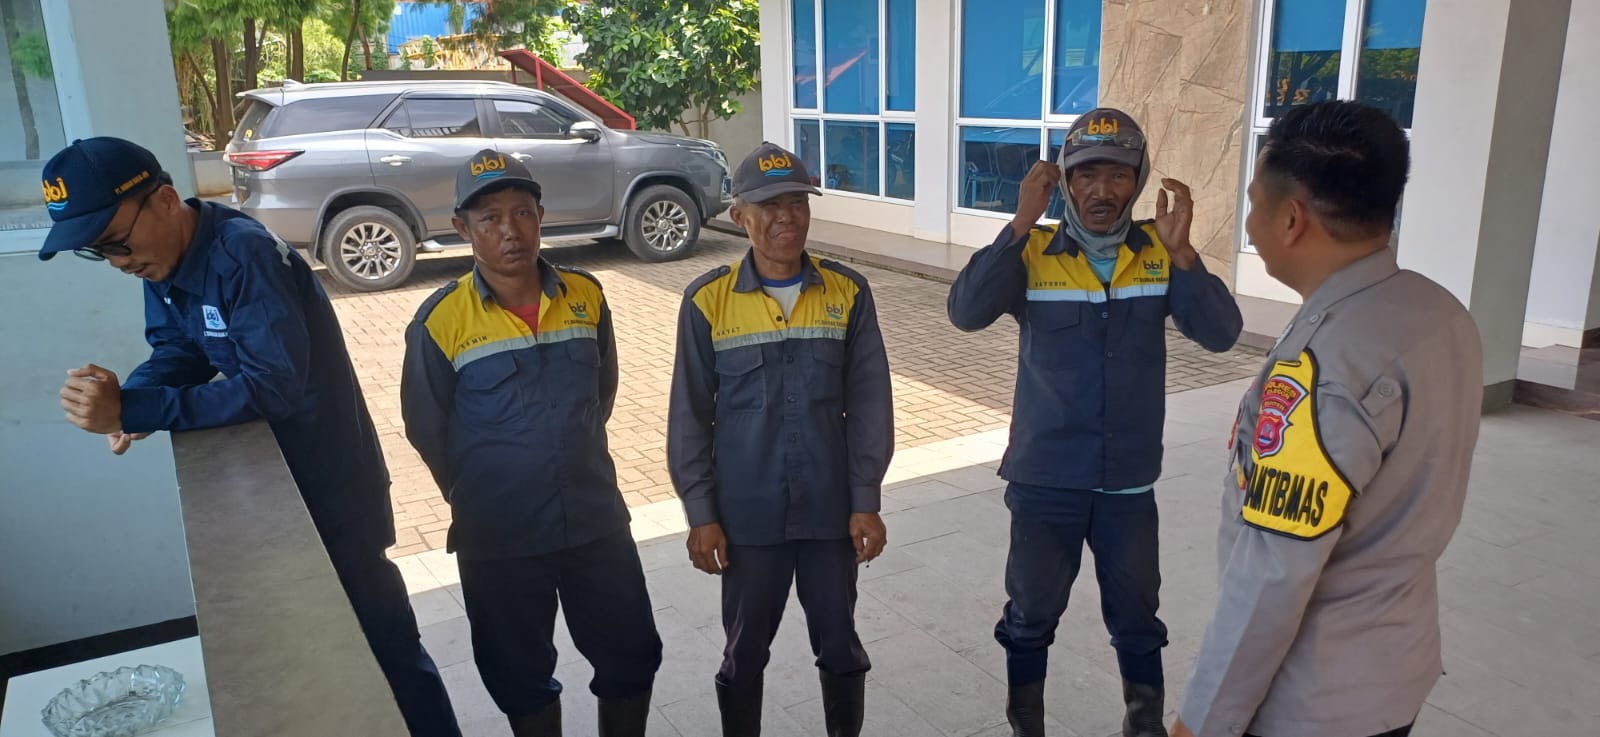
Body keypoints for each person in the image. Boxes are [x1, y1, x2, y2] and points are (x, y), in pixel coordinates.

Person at [44, 137, 461, 737]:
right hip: (279, 495)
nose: (116, 262)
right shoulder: (162, 260)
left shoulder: (244, 256)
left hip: (330, 490)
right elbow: (178, 347)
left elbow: (274, 388)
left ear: (164, 201)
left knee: (385, 648)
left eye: (115, 242)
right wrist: (134, 400)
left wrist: (138, 406)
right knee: (322, 655)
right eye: (97, 252)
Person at [1171, 101, 1482, 737]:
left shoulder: (1326, 368)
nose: (1249, 224)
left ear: (1292, 219)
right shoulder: (1437, 311)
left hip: (1313, 700)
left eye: (1253, 203)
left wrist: (1199, 723)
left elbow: (1272, 576)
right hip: (1394, 667)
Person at [947, 108, 1244, 737]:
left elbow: (1222, 334)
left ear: (1138, 180)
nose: (1101, 191)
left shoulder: (1159, 253)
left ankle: (1144, 726)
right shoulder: (1032, 252)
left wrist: (1185, 253)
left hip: (1127, 484)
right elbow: (966, 313)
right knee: (1030, 617)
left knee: (1137, 620)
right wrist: (1019, 222)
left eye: (1117, 175)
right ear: (1065, 181)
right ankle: (1026, 725)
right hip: (1044, 480)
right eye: (1086, 175)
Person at [401, 150, 663, 737]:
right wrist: (483, 492)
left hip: (594, 521)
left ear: (540, 217)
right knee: (518, 676)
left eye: (521, 212)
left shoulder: (586, 296)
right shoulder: (439, 321)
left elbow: (600, 394)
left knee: (631, 656)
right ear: (462, 228)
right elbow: (426, 428)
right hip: (500, 536)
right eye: (489, 218)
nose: (509, 230)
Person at [667, 142, 894, 737]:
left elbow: (870, 404)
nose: (785, 217)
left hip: (829, 513)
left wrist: (865, 498)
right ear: (739, 215)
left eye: (797, 202)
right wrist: (701, 513)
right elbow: (689, 416)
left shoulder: (848, 292)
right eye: (769, 205)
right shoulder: (708, 300)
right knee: (744, 653)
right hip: (748, 519)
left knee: (840, 646)